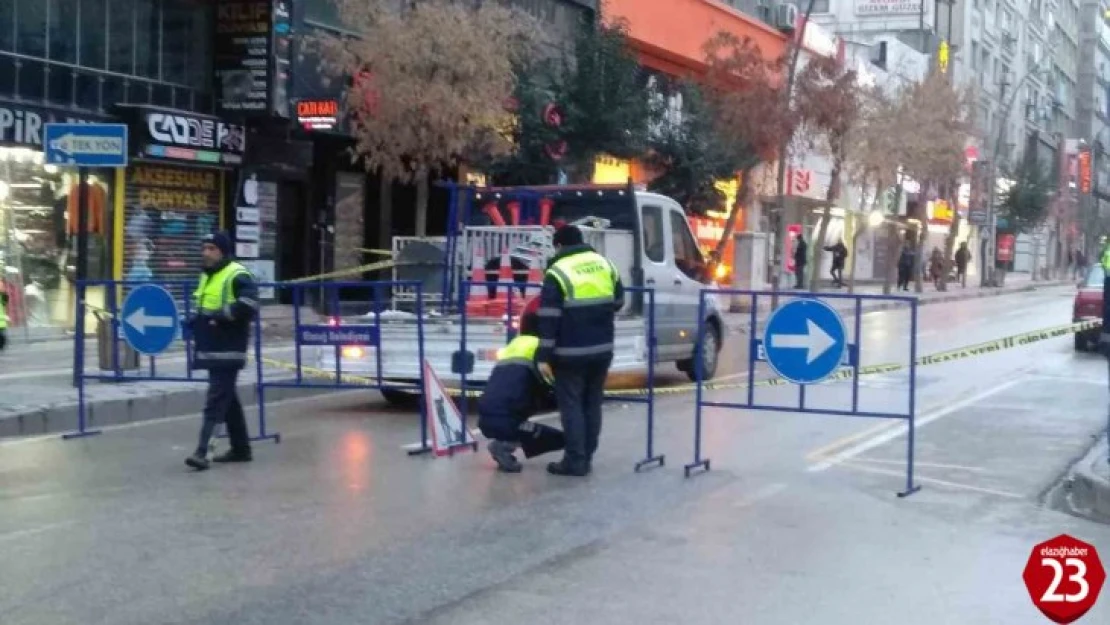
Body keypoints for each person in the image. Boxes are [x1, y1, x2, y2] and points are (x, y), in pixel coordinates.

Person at [536, 225, 624, 477]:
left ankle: (576, 460)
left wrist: (543, 356)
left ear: (560, 246)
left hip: (570, 353)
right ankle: (587, 454)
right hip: (602, 349)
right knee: (592, 403)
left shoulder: (557, 271)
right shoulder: (605, 264)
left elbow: (549, 317)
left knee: (572, 405)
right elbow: (618, 301)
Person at [185, 232, 259, 471]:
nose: (205, 252)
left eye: (211, 248)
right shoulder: (208, 276)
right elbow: (207, 307)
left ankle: (202, 452)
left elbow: (249, 305)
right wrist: (195, 321)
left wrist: (221, 316)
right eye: (204, 248)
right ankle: (241, 449)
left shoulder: (237, 274)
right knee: (228, 400)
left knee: (215, 401)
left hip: (228, 350)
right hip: (212, 349)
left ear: (223, 252)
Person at [478, 297, 565, 472]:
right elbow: (554, 384)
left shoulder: (513, 345)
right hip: (506, 419)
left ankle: (504, 442)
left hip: (485, 416)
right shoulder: (540, 348)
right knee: (562, 439)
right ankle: (504, 445)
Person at [0, 281, 8, 351]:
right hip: (2, 320)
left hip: (2, 323)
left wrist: (3, 291)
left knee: (3, 339)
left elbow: (6, 301)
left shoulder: (2, 296)